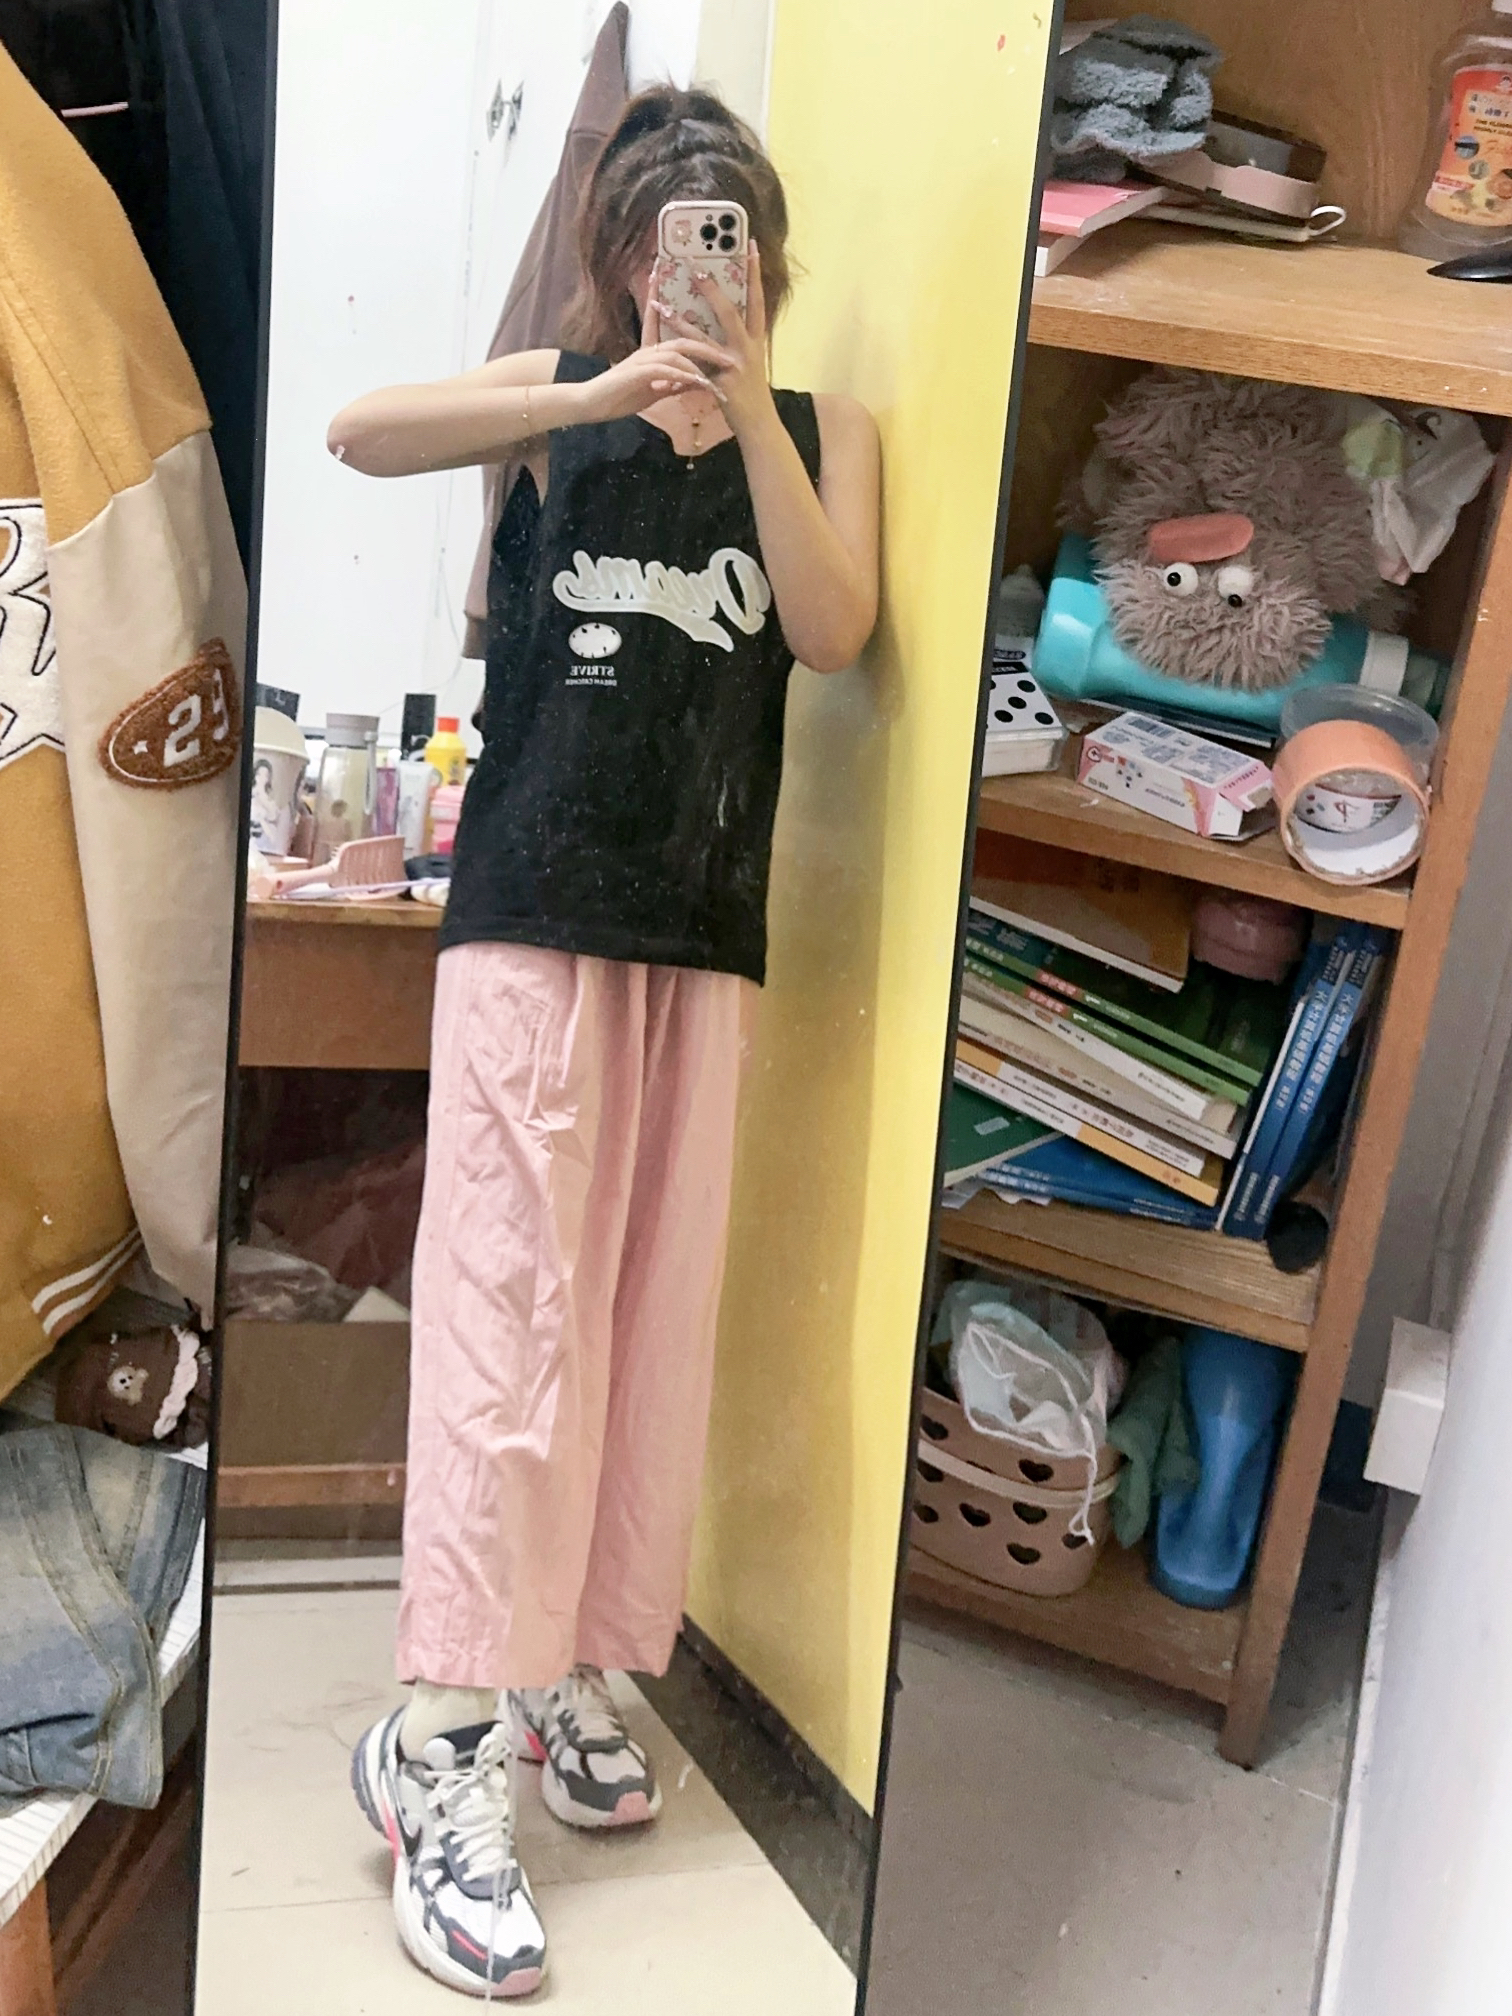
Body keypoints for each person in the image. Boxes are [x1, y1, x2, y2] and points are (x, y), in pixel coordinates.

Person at [327, 85, 879, 1999]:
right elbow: (354, 430)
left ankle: (561, 1662)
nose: (703, 282)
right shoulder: (555, 405)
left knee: (641, 1329)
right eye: (671, 251)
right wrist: (601, 391)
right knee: (509, 1331)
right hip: (531, 928)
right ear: (621, 261)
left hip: (702, 945)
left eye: (733, 251)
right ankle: (440, 1741)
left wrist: (749, 416)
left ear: (771, 265)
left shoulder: (824, 434)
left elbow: (832, 628)